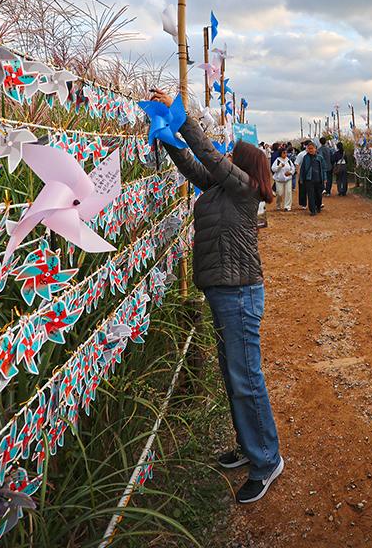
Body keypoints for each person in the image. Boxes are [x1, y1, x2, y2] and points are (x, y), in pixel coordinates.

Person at [149, 91, 283, 504]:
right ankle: (249, 445)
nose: (224, 154)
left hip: (239, 291)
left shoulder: (243, 188)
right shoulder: (221, 189)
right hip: (224, 289)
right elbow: (194, 163)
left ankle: (267, 459)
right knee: (233, 376)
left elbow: (208, 155)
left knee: (246, 378)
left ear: (241, 164)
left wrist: (183, 116)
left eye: (230, 153)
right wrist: (167, 132)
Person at [299, 141, 326, 215]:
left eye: (312, 148)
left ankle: (318, 206)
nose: (310, 150)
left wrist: (324, 178)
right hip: (309, 179)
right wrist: (301, 178)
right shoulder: (305, 157)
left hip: (318, 179)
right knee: (310, 195)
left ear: (315, 149)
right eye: (309, 148)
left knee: (318, 195)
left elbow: (323, 168)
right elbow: (302, 169)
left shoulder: (320, 158)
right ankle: (312, 210)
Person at [294, 140, 310, 209]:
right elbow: (297, 164)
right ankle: (303, 204)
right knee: (303, 190)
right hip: (302, 174)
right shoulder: (301, 154)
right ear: (305, 146)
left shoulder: (313, 153)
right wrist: (299, 173)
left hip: (311, 174)